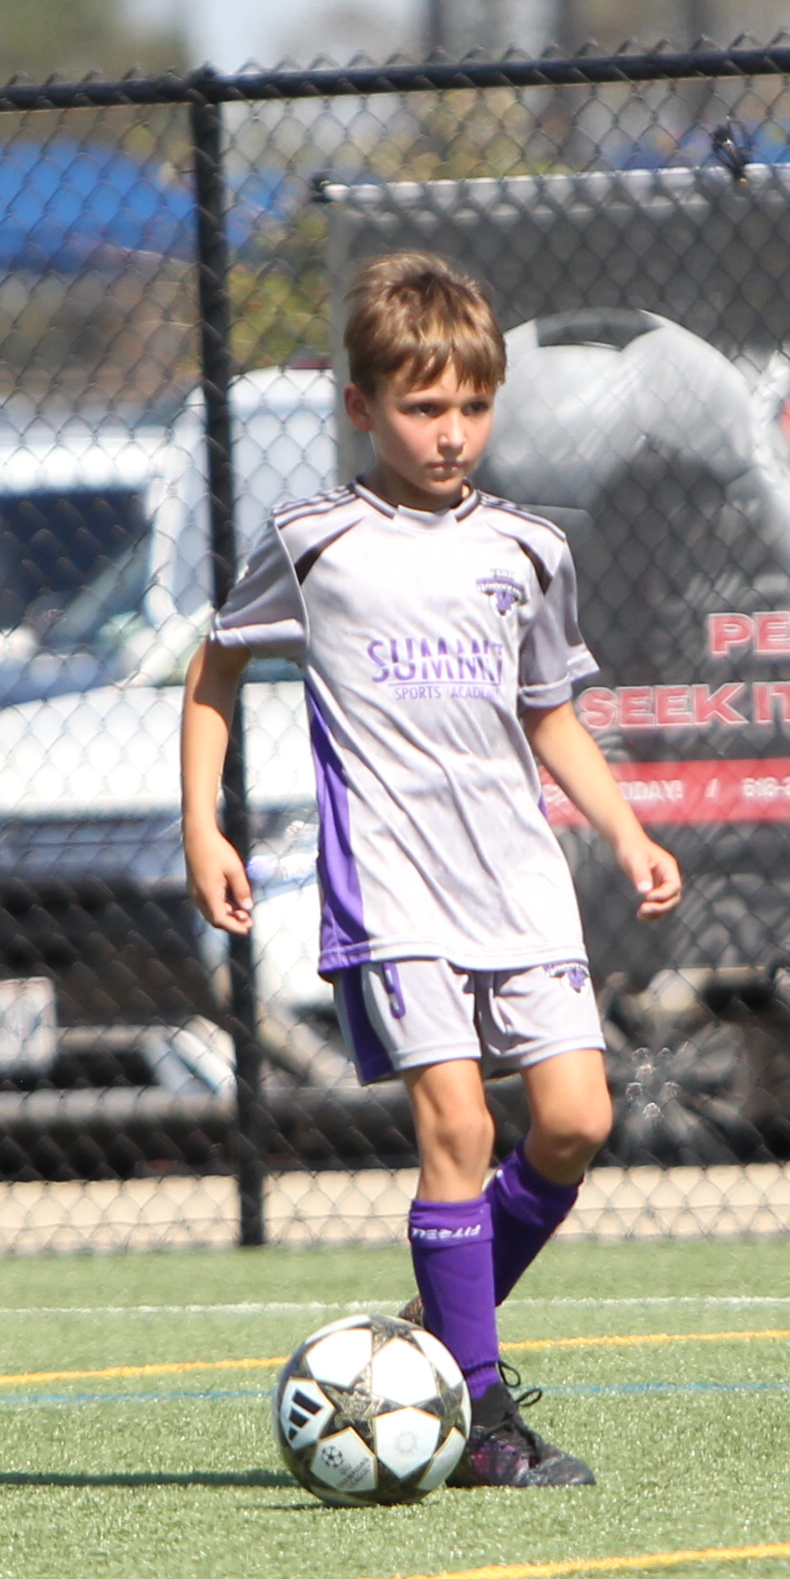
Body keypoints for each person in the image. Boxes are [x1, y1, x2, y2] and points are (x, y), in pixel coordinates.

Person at [181, 251, 682, 1487]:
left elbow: (550, 710)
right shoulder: (315, 543)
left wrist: (625, 831)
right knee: (457, 1125)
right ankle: (485, 1416)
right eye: (421, 406)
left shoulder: (528, 549)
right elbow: (214, 670)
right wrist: (204, 827)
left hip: (518, 882)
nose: (451, 432)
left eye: (472, 405)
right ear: (362, 406)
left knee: (577, 1121)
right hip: (394, 889)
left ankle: (437, 1331)